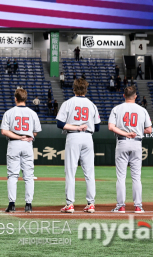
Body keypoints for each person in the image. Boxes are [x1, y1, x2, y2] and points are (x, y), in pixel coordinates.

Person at [57, 78, 100, 213]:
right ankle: (91, 204)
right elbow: (97, 127)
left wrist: (76, 127)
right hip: (88, 137)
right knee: (89, 172)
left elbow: (59, 123)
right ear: (86, 89)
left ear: (74, 89)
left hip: (73, 136)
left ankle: (70, 204)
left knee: (70, 172)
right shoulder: (92, 104)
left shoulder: (68, 103)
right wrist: (83, 126)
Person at [108, 86, 152, 213]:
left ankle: (121, 206)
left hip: (122, 142)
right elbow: (149, 130)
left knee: (121, 177)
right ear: (136, 96)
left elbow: (111, 127)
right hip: (137, 143)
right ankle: (138, 206)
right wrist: (137, 131)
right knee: (136, 177)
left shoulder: (117, 108)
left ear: (124, 95)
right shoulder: (142, 110)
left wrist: (125, 133)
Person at [2, 88, 41, 213]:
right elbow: (35, 132)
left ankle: (12, 204)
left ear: (15, 98)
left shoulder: (9, 112)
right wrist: (27, 136)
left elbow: (4, 131)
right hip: (27, 144)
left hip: (14, 144)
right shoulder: (32, 113)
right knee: (28, 176)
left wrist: (18, 136)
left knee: (12, 176)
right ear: (25, 98)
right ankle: (28, 205)